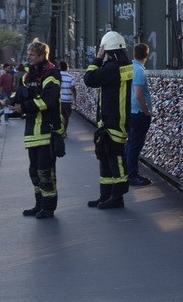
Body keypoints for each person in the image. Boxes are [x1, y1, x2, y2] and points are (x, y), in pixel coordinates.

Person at [12, 39, 62, 219]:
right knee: (34, 171)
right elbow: (20, 92)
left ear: (41, 56)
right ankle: (39, 203)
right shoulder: (30, 74)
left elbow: (47, 101)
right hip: (33, 132)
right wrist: (13, 100)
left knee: (46, 172)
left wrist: (24, 107)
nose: (29, 57)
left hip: (47, 131)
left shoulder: (52, 75)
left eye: (32, 55)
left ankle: (48, 207)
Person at [83, 31, 133, 209]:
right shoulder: (125, 66)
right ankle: (106, 196)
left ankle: (117, 197)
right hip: (117, 118)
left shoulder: (112, 68)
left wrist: (97, 59)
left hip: (112, 119)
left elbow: (89, 79)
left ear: (106, 51)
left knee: (114, 157)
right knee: (106, 156)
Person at [125, 43, 153, 186]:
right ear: (146, 55)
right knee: (135, 143)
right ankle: (132, 174)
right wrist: (146, 111)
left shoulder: (129, 68)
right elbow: (138, 95)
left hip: (130, 111)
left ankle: (126, 171)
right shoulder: (140, 71)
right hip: (138, 112)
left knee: (130, 142)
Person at [59, 60, 77, 131]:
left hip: (58, 99)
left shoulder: (57, 76)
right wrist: (75, 101)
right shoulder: (71, 77)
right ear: (67, 67)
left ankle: (58, 131)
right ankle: (64, 131)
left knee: (57, 116)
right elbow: (73, 89)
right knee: (66, 117)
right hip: (67, 100)